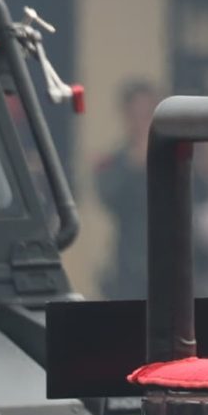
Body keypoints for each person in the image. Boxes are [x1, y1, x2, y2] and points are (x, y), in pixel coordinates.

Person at [90, 78, 158, 299]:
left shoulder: (175, 157)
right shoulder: (115, 161)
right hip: (129, 265)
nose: (142, 122)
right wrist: (134, 165)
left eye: (148, 113)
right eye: (136, 115)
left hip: (173, 262)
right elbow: (108, 197)